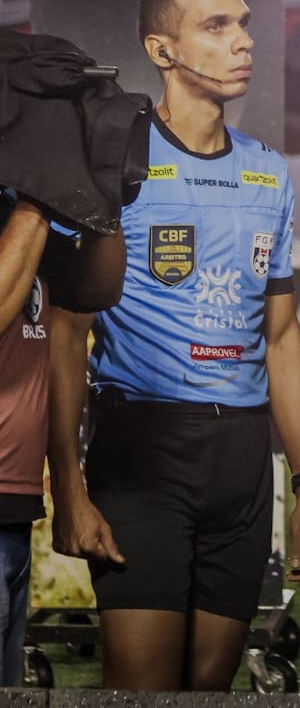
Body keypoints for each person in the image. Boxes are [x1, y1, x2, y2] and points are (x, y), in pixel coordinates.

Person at [47, 0, 300, 690]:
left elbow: (281, 338)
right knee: (142, 688)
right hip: (144, 450)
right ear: (163, 50)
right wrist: (70, 488)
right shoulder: (118, 164)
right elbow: (67, 334)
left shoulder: (269, 173)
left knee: (209, 690)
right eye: (216, 26)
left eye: (243, 24)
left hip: (242, 459)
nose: (242, 41)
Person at [0, 190, 125, 687]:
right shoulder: (28, 209)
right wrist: (40, 191)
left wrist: (108, 193)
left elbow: (98, 290)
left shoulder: (19, 208)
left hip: (15, 509)